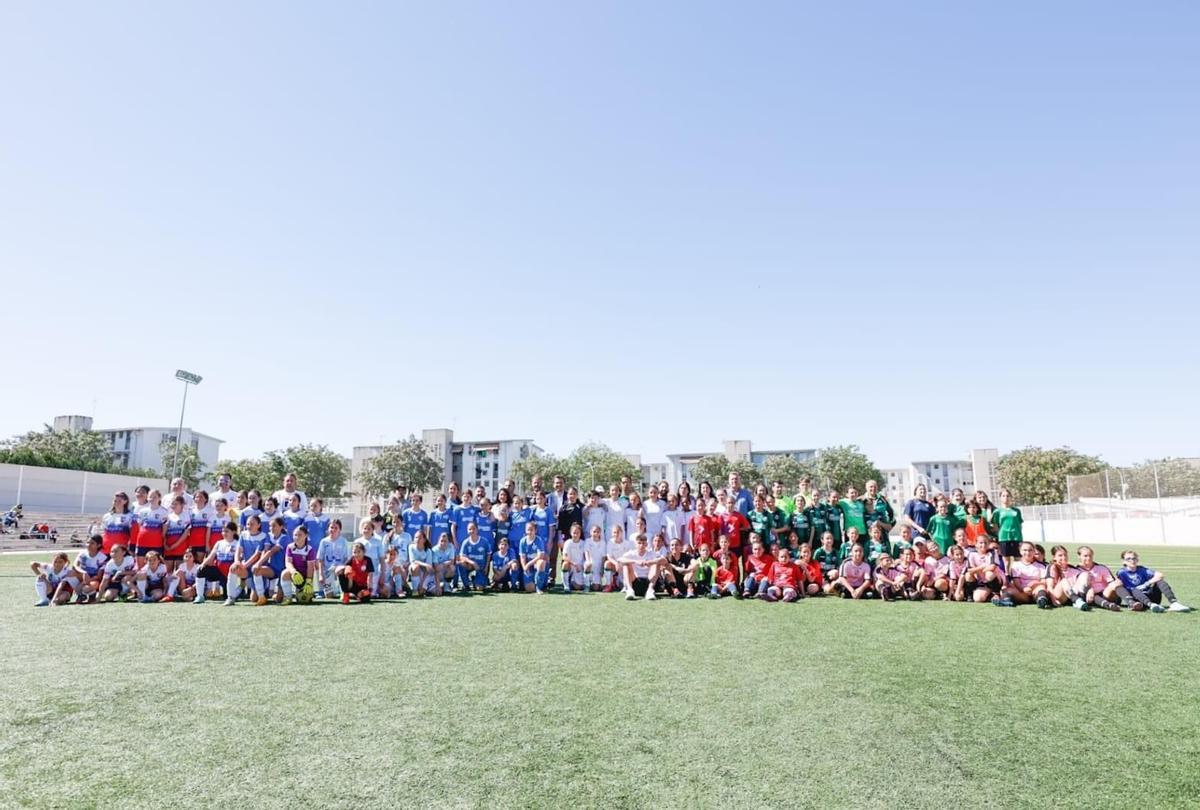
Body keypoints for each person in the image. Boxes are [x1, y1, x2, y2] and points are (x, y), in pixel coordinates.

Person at [1116, 550, 1192, 612]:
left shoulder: (1143, 570)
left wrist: (1147, 584)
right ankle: (1151, 605)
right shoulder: (1121, 573)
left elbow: (1160, 575)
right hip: (1138, 601)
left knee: (1160, 582)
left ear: (1137, 560)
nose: (1132, 560)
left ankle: (1174, 603)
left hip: (1151, 596)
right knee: (1134, 590)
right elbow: (1117, 586)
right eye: (1128, 559)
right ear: (1124, 561)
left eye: (1134, 558)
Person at [197, 522, 239, 604]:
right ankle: (200, 596)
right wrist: (203, 564)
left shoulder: (237, 543)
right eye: (223, 531)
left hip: (231, 573)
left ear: (233, 532)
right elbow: (211, 557)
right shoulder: (219, 543)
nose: (224, 533)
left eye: (226, 531)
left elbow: (239, 559)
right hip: (219, 571)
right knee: (201, 570)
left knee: (227, 596)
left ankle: (239, 589)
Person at [61, 535, 108, 604]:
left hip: (93, 579)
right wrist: (84, 572)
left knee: (86, 588)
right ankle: (80, 594)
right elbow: (75, 565)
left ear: (99, 545)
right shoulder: (83, 553)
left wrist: (84, 582)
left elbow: (99, 576)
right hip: (83, 576)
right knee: (69, 573)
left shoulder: (102, 557)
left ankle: (91, 594)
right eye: (88, 542)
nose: (89, 545)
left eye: (92, 543)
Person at [279, 526, 318, 604]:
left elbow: (310, 567)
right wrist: (293, 572)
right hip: (295, 574)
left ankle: (304, 590)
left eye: (300, 535)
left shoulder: (310, 549)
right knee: (284, 574)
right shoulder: (290, 547)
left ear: (306, 536)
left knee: (303, 600)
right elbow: (288, 562)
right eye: (295, 535)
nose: (297, 537)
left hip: (305, 576)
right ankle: (288, 597)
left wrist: (309, 581)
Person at [1044, 544, 1088, 610]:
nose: (1063, 557)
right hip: (1059, 596)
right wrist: (1053, 600)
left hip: (1071, 595)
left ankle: (1079, 600)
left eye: (1065, 555)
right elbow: (1049, 586)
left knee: (1085, 574)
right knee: (1064, 581)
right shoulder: (1052, 567)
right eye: (1060, 555)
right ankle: (1077, 601)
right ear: (1054, 557)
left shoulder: (1073, 568)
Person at [989, 488, 1024, 572]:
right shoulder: (997, 511)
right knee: (1006, 560)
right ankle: (1007, 577)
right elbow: (994, 525)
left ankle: (1016, 577)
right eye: (1003, 496)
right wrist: (1000, 533)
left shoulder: (1016, 511)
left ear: (1011, 497)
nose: (1006, 498)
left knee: (1018, 559)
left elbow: (1019, 524)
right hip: (1004, 538)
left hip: (1016, 537)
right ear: (1000, 498)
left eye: (1008, 496)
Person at [965, 534, 1005, 604]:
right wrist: (983, 567)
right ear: (976, 544)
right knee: (978, 599)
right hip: (981, 581)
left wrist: (977, 570)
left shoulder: (992, 552)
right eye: (981, 543)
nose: (983, 545)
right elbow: (969, 570)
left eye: (985, 543)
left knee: (989, 573)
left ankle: (996, 593)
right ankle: (970, 594)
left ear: (988, 544)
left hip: (995, 579)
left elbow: (992, 567)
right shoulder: (971, 554)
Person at [314, 519, 349, 599]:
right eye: (331, 527)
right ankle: (331, 590)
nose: (333, 530)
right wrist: (321, 575)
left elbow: (346, 559)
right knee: (329, 596)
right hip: (327, 571)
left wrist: (342, 568)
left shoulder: (343, 541)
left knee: (341, 571)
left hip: (339, 570)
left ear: (340, 530)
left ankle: (342, 590)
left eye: (336, 528)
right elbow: (320, 559)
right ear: (328, 529)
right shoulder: (324, 541)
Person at [619, 534, 660, 601]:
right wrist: (635, 561)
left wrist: (650, 562)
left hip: (649, 581)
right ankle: (629, 590)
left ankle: (650, 590)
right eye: (639, 543)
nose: (641, 545)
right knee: (626, 564)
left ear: (646, 544)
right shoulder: (632, 553)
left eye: (643, 543)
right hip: (635, 582)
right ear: (636, 544)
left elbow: (664, 560)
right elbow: (620, 559)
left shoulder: (651, 553)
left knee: (656, 563)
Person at [133, 489, 168, 564]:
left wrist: (160, 537)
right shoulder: (142, 511)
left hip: (156, 542)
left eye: (154, 497)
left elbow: (164, 528)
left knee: (155, 564)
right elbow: (140, 525)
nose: (152, 499)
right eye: (150, 497)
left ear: (159, 498)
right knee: (141, 565)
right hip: (142, 541)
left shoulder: (164, 511)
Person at [457, 521, 492, 593]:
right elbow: (462, 556)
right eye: (469, 529)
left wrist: (486, 567)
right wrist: (472, 562)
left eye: (473, 529)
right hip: (470, 565)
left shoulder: (484, 541)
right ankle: (466, 585)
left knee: (480, 589)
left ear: (477, 529)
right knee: (461, 563)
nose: (471, 531)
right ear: (467, 530)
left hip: (481, 567)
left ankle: (474, 579)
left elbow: (489, 554)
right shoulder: (466, 542)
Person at [519, 521, 548, 594]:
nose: (529, 531)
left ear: (535, 530)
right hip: (529, 567)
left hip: (536, 564)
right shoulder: (523, 541)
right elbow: (522, 557)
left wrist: (528, 564)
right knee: (529, 589)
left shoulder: (538, 540)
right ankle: (534, 580)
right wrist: (525, 567)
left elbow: (540, 556)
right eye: (528, 529)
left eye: (531, 530)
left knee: (541, 562)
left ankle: (539, 586)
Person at [560, 522, 587, 594]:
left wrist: (583, 566)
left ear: (580, 533)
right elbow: (564, 557)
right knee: (565, 564)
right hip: (571, 565)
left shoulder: (583, 543)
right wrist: (574, 564)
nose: (575, 535)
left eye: (577, 533)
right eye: (574, 533)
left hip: (580, 567)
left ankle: (573, 581)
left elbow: (585, 557)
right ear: (570, 533)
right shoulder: (568, 543)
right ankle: (566, 585)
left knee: (578, 587)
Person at [603, 525, 631, 593]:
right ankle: (608, 584)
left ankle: (619, 582)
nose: (616, 534)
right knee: (607, 563)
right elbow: (609, 557)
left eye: (618, 532)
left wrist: (622, 564)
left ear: (621, 533)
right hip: (614, 566)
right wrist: (616, 563)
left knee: (622, 586)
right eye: (614, 532)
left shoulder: (627, 543)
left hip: (624, 566)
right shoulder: (610, 542)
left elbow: (628, 557)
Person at [408, 532, 436, 597]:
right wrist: (425, 564)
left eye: (420, 538)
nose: (417, 539)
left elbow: (428, 570)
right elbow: (413, 561)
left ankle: (426, 588)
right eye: (416, 537)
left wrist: (422, 584)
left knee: (435, 592)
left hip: (425, 575)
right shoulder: (411, 547)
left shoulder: (428, 551)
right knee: (415, 567)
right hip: (415, 571)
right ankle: (415, 590)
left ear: (424, 540)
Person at [583, 524, 607, 591]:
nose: (596, 533)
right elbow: (586, 552)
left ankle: (597, 583)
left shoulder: (603, 543)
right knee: (588, 564)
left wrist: (602, 568)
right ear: (590, 532)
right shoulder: (588, 541)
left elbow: (603, 557)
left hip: (598, 566)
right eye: (594, 532)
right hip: (590, 564)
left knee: (596, 588)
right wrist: (588, 561)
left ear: (600, 533)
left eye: (597, 532)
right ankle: (586, 585)